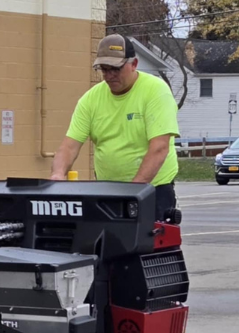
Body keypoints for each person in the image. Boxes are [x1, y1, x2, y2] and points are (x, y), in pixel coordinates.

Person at [50, 34, 181, 220]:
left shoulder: (155, 91)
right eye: (104, 69)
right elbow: (69, 146)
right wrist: (57, 174)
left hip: (152, 190)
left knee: (150, 248)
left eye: (116, 69)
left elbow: (159, 148)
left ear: (134, 64)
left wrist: (134, 192)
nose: (109, 75)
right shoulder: (91, 99)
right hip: (108, 191)